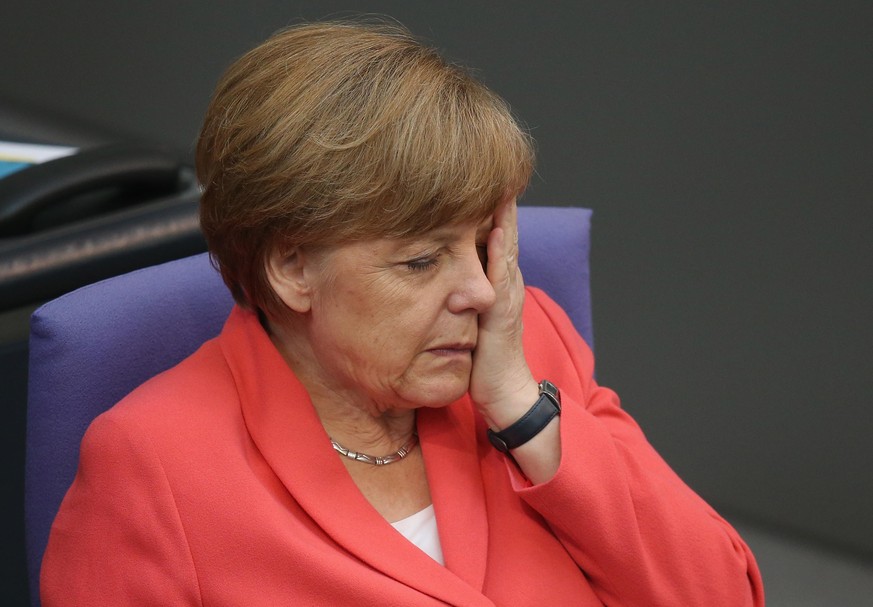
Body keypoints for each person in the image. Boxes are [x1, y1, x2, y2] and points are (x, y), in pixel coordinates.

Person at [40, 20, 764, 606]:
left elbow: (720, 594)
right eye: (421, 260)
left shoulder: (524, 349)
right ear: (292, 266)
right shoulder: (154, 466)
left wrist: (522, 412)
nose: (480, 292)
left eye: (480, 246)